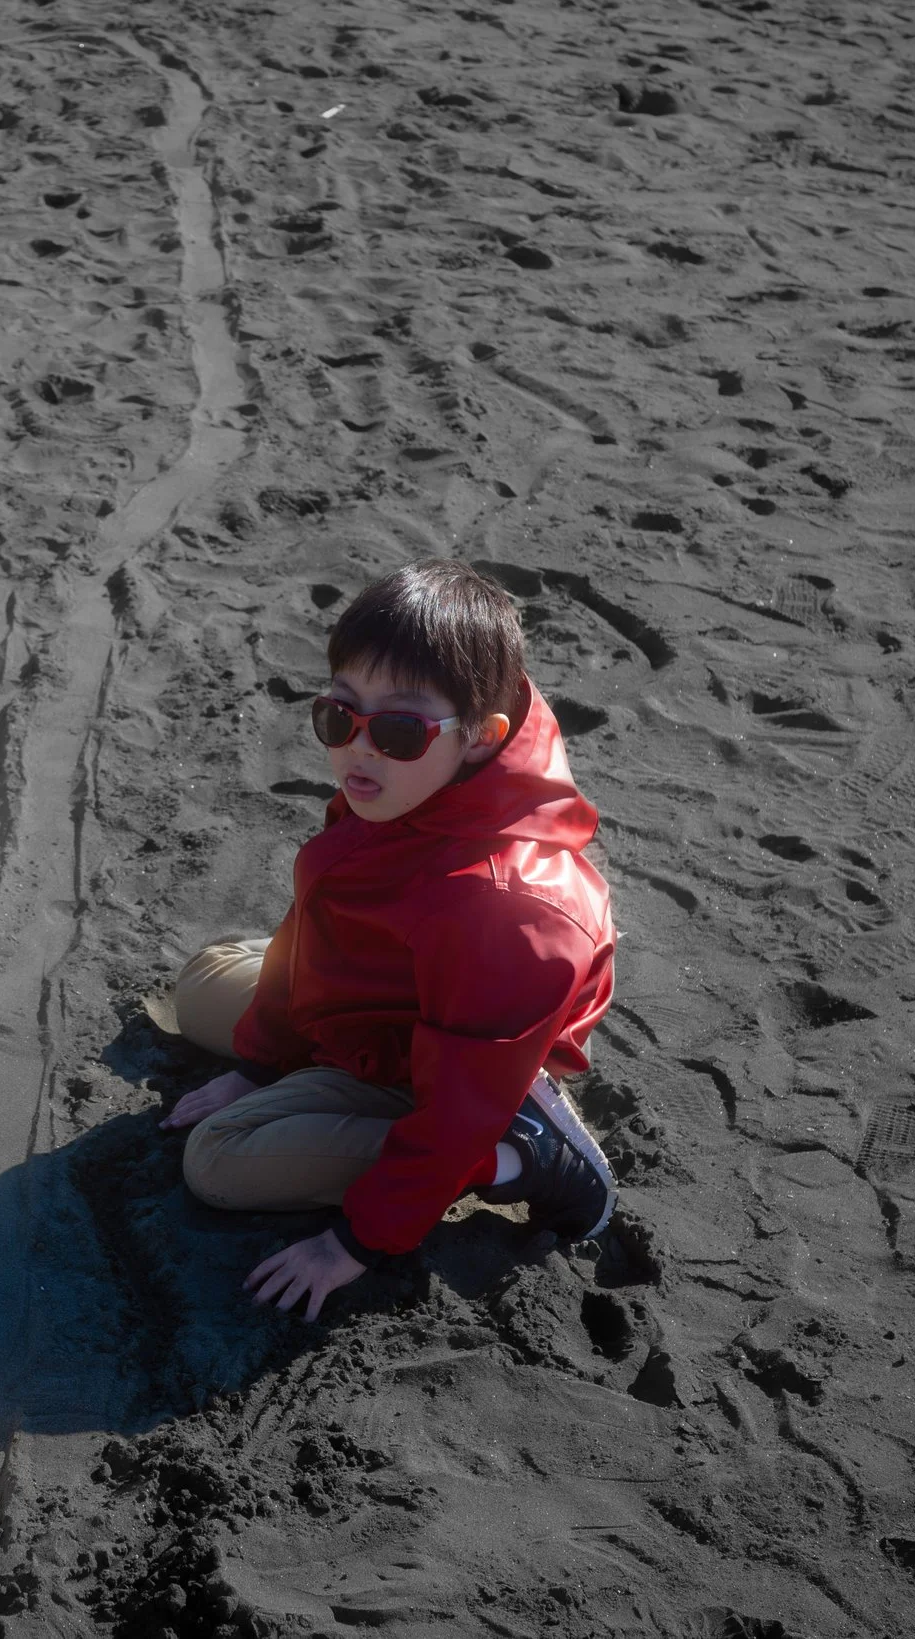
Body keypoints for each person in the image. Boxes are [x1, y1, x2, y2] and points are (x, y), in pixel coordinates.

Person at [160, 558, 618, 1320]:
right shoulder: (413, 779)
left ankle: (523, 1152)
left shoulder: (509, 910)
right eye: (339, 715)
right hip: (380, 998)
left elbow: (451, 1110)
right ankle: (321, 1077)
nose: (358, 748)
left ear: (482, 737)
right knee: (202, 984)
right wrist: (257, 1063)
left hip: (454, 1064)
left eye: (399, 727)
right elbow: (316, 925)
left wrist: (354, 1242)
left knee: (215, 1159)